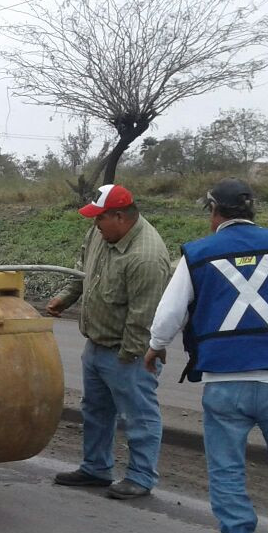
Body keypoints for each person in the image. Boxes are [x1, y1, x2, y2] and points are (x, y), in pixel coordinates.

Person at [144, 178, 268, 533]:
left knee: (227, 468)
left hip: (224, 382)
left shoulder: (198, 254)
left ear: (214, 212)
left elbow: (171, 313)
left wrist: (155, 346)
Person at [47, 184, 171, 499]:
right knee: (96, 410)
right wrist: (65, 297)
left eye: (99, 219)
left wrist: (128, 357)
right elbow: (81, 272)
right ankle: (96, 468)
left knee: (139, 415)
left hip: (129, 353)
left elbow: (143, 318)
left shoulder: (146, 256)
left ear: (119, 216)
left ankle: (141, 478)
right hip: (97, 344)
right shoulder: (100, 235)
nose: (94, 225)